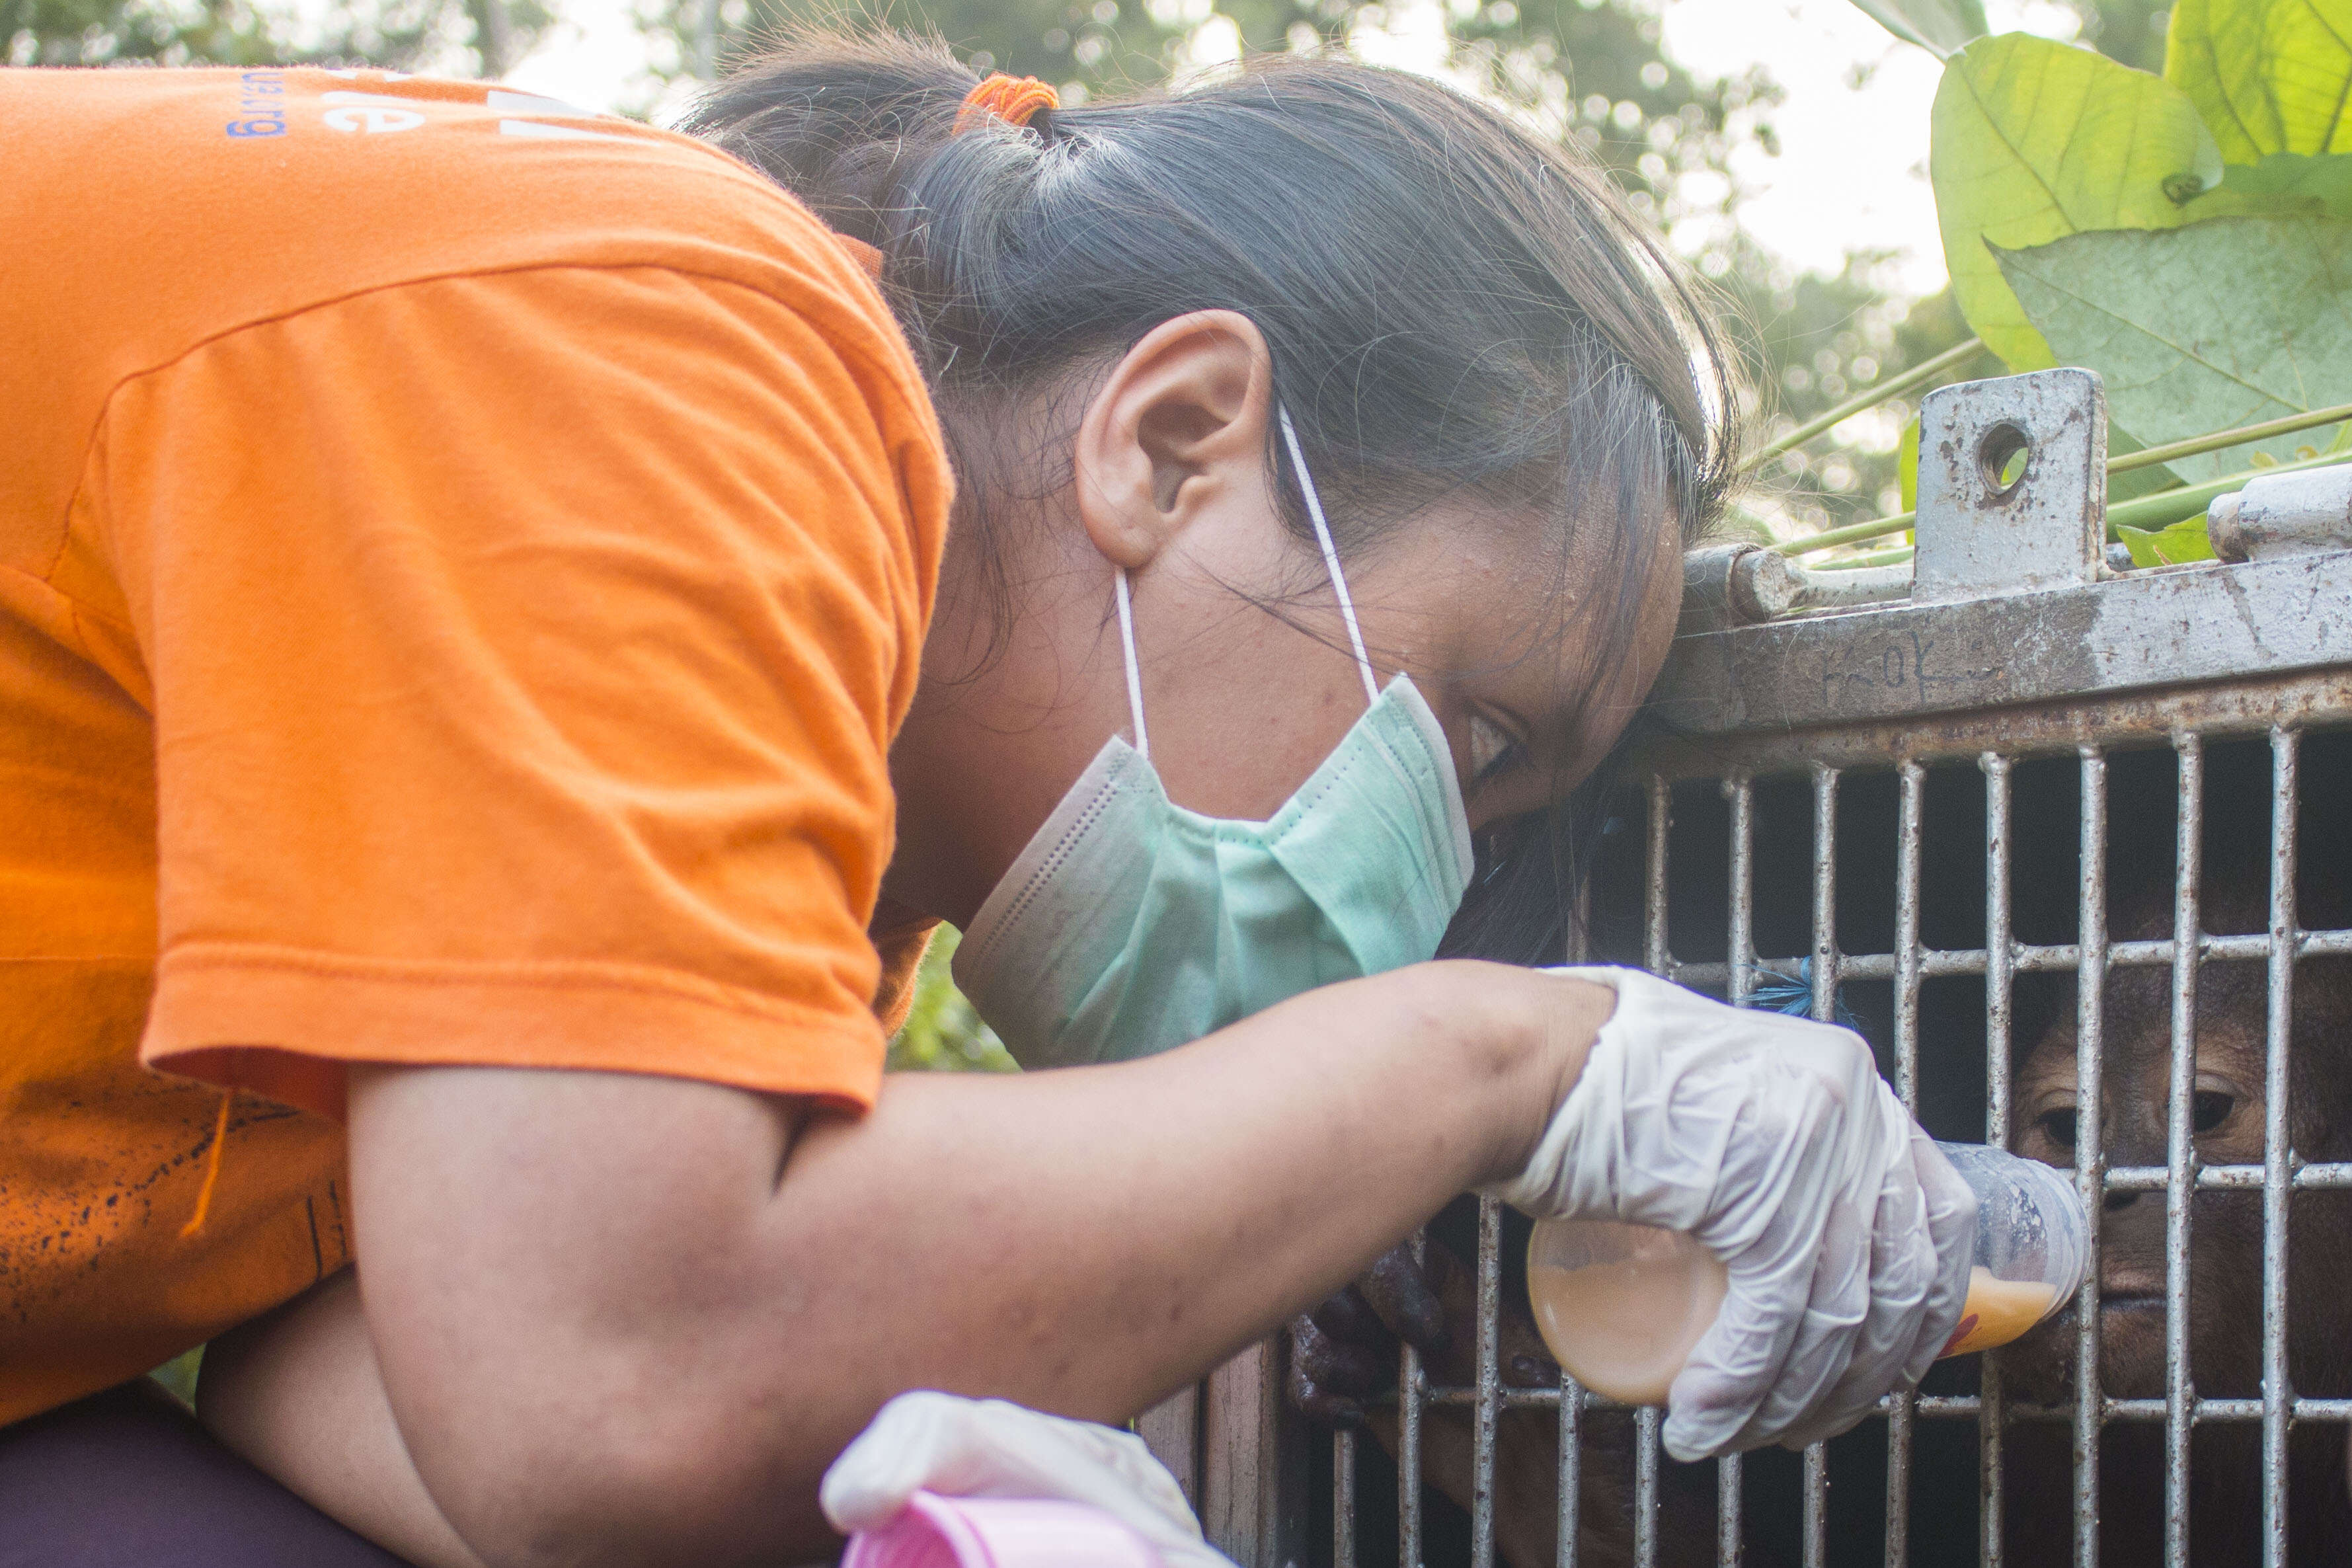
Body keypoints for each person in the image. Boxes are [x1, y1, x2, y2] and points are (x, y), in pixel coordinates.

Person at [0, 38, 1972, 1568]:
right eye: (1468, 743)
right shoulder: (666, 346)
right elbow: (602, 1380)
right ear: (1175, 440)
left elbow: (351, 1374)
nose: (1435, 885)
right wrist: (1507, 1060)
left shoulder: (816, 828)